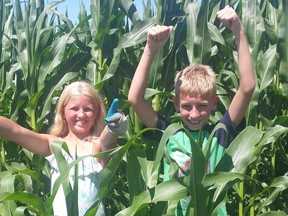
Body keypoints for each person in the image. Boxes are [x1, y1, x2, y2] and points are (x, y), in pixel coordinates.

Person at [128, 5, 255, 216]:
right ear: (176, 104)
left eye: (202, 106)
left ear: (214, 103)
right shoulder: (170, 135)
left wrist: (238, 31)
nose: (194, 114)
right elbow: (135, 99)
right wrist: (150, 50)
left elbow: (248, 87)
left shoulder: (220, 134)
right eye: (186, 106)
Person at [0, 81, 127, 216]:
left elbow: (108, 141)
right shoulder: (55, 145)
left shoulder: (96, 146)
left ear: (96, 113)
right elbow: (16, 132)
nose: (81, 114)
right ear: (63, 112)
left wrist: (114, 126)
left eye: (88, 109)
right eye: (74, 108)